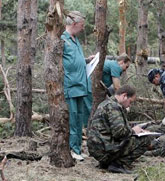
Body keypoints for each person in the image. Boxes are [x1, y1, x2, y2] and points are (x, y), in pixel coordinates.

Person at [87, 85, 152, 174]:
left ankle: (107, 163)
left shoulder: (106, 103)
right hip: (104, 149)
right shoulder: (114, 107)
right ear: (124, 96)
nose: (130, 105)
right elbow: (119, 133)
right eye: (130, 101)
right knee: (146, 140)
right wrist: (134, 131)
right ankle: (117, 164)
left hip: (98, 148)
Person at [61, 11, 92, 161]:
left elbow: (74, 60)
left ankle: (78, 148)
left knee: (80, 119)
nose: (82, 28)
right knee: (73, 119)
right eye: (81, 25)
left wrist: (87, 60)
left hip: (81, 86)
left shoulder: (76, 39)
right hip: (71, 85)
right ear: (73, 24)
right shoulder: (62, 39)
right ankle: (73, 150)